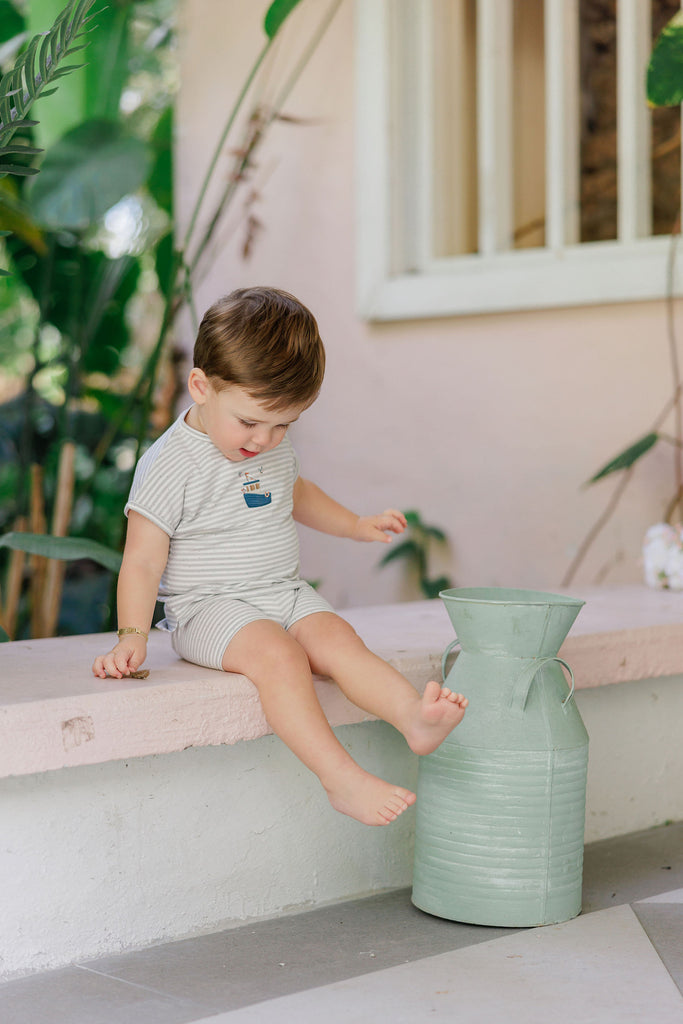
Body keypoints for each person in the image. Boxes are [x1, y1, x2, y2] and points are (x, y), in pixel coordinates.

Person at [93, 287, 468, 826]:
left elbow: (297, 493)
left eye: (284, 425)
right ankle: (340, 779)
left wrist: (355, 525)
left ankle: (413, 718)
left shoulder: (267, 444)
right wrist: (132, 635)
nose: (264, 439)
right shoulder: (171, 465)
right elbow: (142, 561)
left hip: (281, 592)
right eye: (249, 422)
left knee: (338, 638)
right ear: (200, 387)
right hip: (209, 609)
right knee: (280, 656)